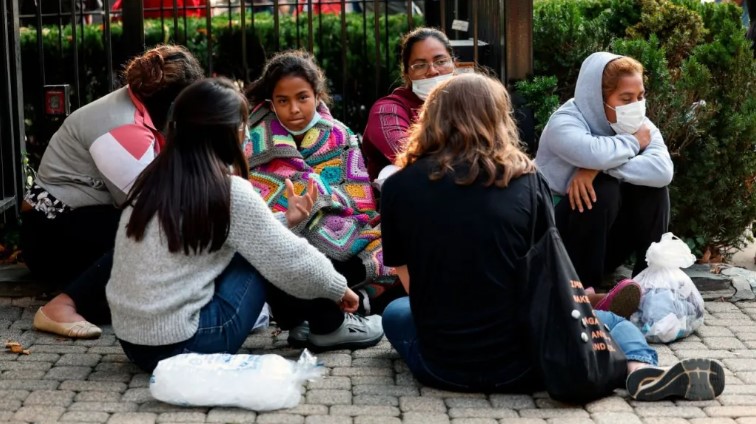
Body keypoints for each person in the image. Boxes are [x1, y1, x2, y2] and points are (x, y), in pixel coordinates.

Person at [380, 72, 724, 400]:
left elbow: (409, 279)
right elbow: (545, 273)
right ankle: (638, 367)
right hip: (525, 362)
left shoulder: (397, 186)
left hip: (442, 365)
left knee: (396, 311)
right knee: (613, 323)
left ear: (431, 118)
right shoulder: (527, 182)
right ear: (498, 119)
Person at [106, 77, 382, 372]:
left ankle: (306, 323)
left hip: (135, 344)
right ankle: (330, 325)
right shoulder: (227, 190)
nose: (248, 134)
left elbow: (230, 231)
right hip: (186, 344)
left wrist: (286, 219)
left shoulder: (155, 181)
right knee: (266, 256)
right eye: (242, 125)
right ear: (226, 132)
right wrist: (338, 289)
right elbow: (288, 257)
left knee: (261, 245)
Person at [25, 45, 205, 339]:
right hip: (50, 238)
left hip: (77, 222)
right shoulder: (122, 129)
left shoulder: (134, 106)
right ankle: (63, 307)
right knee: (154, 232)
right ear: (172, 102)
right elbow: (153, 206)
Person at [244, 50, 402, 342]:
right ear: (270, 101)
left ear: (317, 95)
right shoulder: (254, 141)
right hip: (285, 245)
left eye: (302, 97)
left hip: (341, 239)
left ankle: (345, 306)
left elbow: (360, 204)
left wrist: (321, 200)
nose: (294, 109)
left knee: (386, 249)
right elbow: (256, 211)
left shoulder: (340, 136)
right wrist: (299, 214)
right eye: (283, 100)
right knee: (281, 264)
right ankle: (334, 312)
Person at [535, 52, 673, 290]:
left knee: (653, 191)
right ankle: (584, 291)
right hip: (557, 239)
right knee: (604, 191)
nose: (637, 106)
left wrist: (595, 170)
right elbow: (593, 153)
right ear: (597, 98)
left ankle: (647, 284)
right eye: (626, 99)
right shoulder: (564, 122)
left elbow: (662, 171)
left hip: (606, 243)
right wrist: (632, 143)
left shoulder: (640, 125)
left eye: (641, 96)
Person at [361, 27, 454, 183]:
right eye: (420, 65)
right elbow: (408, 155)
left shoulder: (469, 103)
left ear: (454, 63)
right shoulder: (387, 110)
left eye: (441, 61)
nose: (432, 71)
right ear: (406, 73)